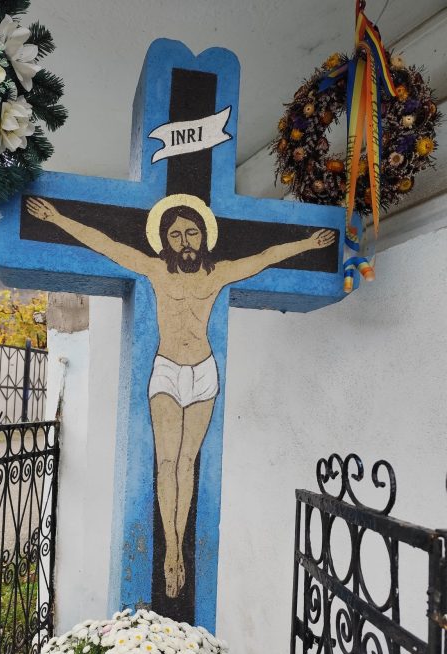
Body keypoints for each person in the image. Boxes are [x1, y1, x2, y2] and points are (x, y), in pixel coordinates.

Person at [27, 194, 335, 598]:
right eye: (176, 235)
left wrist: (308, 244)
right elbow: (108, 245)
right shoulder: (157, 270)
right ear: (166, 241)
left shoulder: (218, 273)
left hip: (204, 372)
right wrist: (57, 218)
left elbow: (265, 257)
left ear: (203, 235)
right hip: (167, 371)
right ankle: (172, 550)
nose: (185, 241)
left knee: (187, 462)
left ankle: (180, 544)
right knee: (167, 461)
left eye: (191, 233)